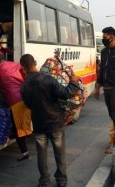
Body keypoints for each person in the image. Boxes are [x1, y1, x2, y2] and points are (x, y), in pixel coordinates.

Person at [20, 54, 80, 187]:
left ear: (23, 68)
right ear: (35, 63)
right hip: (55, 122)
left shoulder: (23, 86)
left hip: (39, 123)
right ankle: (61, 181)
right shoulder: (48, 79)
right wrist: (74, 82)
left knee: (41, 154)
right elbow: (66, 93)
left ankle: (44, 181)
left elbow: (28, 105)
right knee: (59, 153)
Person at [94, 26, 115, 148]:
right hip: (106, 88)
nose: (103, 39)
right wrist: (97, 86)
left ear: (112, 38)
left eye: (105, 37)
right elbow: (102, 70)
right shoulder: (103, 52)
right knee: (112, 114)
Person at [0, 55, 32, 161]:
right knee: (23, 125)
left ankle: (25, 153)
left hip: (14, 101)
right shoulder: (16, 65)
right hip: (25, 98)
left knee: (18, 129)